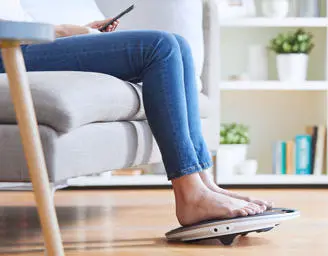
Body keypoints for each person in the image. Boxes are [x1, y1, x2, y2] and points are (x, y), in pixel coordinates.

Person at [0, 0, 272, 226]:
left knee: (179, 45)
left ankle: (204, 182)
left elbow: (15, 17)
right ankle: (190, 195)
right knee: (159, 47)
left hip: (23, 42)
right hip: (7, 50)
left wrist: (67, 31)